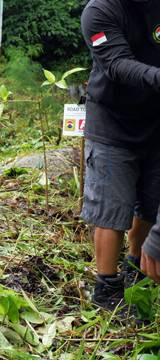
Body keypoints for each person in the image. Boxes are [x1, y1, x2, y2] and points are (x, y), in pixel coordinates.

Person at [80, 0, 160, 311]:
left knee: (150, 205)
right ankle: (107, 287)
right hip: (112, 124)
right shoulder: (100, 11)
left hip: (154, 123)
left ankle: (135, 263)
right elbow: (116, 64)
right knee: (111, 209)